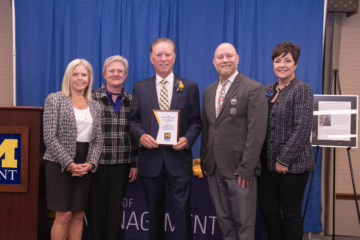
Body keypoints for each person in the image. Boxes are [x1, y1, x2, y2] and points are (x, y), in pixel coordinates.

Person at [129, 38, 202, 240]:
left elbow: (196, 121)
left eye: (167, 54)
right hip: (150, 162)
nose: (163, 59)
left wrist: (187, 140)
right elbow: (133, 120)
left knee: (181, 215)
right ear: (151, 59)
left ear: (174, 57)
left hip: (179, 161)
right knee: (153, 215)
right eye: (158, 55)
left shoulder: (189, 87)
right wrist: (141, 136)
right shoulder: (140, 87)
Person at [200, 43, 268, 240]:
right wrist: (205, 159)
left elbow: (256, 132)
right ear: (214, 62)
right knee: (224, 221)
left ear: (237, 58)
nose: (225, 60)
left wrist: (247, 167)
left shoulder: (253, 88)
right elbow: (208, 128)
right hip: (213, 168)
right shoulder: (209, 91)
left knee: (244, 224)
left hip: (240, 169)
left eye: (229, 56)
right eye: (220, 57)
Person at [258, 42, 315, 240]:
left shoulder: (302, 89)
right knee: (269, 212)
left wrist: (283, 160)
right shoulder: (266, 90)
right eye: (277, 60)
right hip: (266, 166)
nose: (282, 65)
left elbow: (302, 128)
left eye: (287, 61)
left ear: (296, 64)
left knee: (291, 215)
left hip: (294, 166)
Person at [43, 59, 103, 240]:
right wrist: (68, 163)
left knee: (78, 214)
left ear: (89, 78)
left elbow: (98, 139)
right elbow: (49, 137)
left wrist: (91, 163)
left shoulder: (95, 105)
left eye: (83, 74)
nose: (79, 78)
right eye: (75, 74)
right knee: (64, 215)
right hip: (59, 163)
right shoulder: (55, 99)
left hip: (85, 162)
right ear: (69, 76)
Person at [87, 55, 138, 240]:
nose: (116, 74)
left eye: (120, 71)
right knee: (94, 209)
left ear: (125, 75)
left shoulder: (133, 101)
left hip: (122, 164)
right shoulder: (90, 98)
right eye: (112, 71)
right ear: (104, 74)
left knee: (115, 212)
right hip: (95, 164)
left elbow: (137, 136)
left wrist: (135, 162)